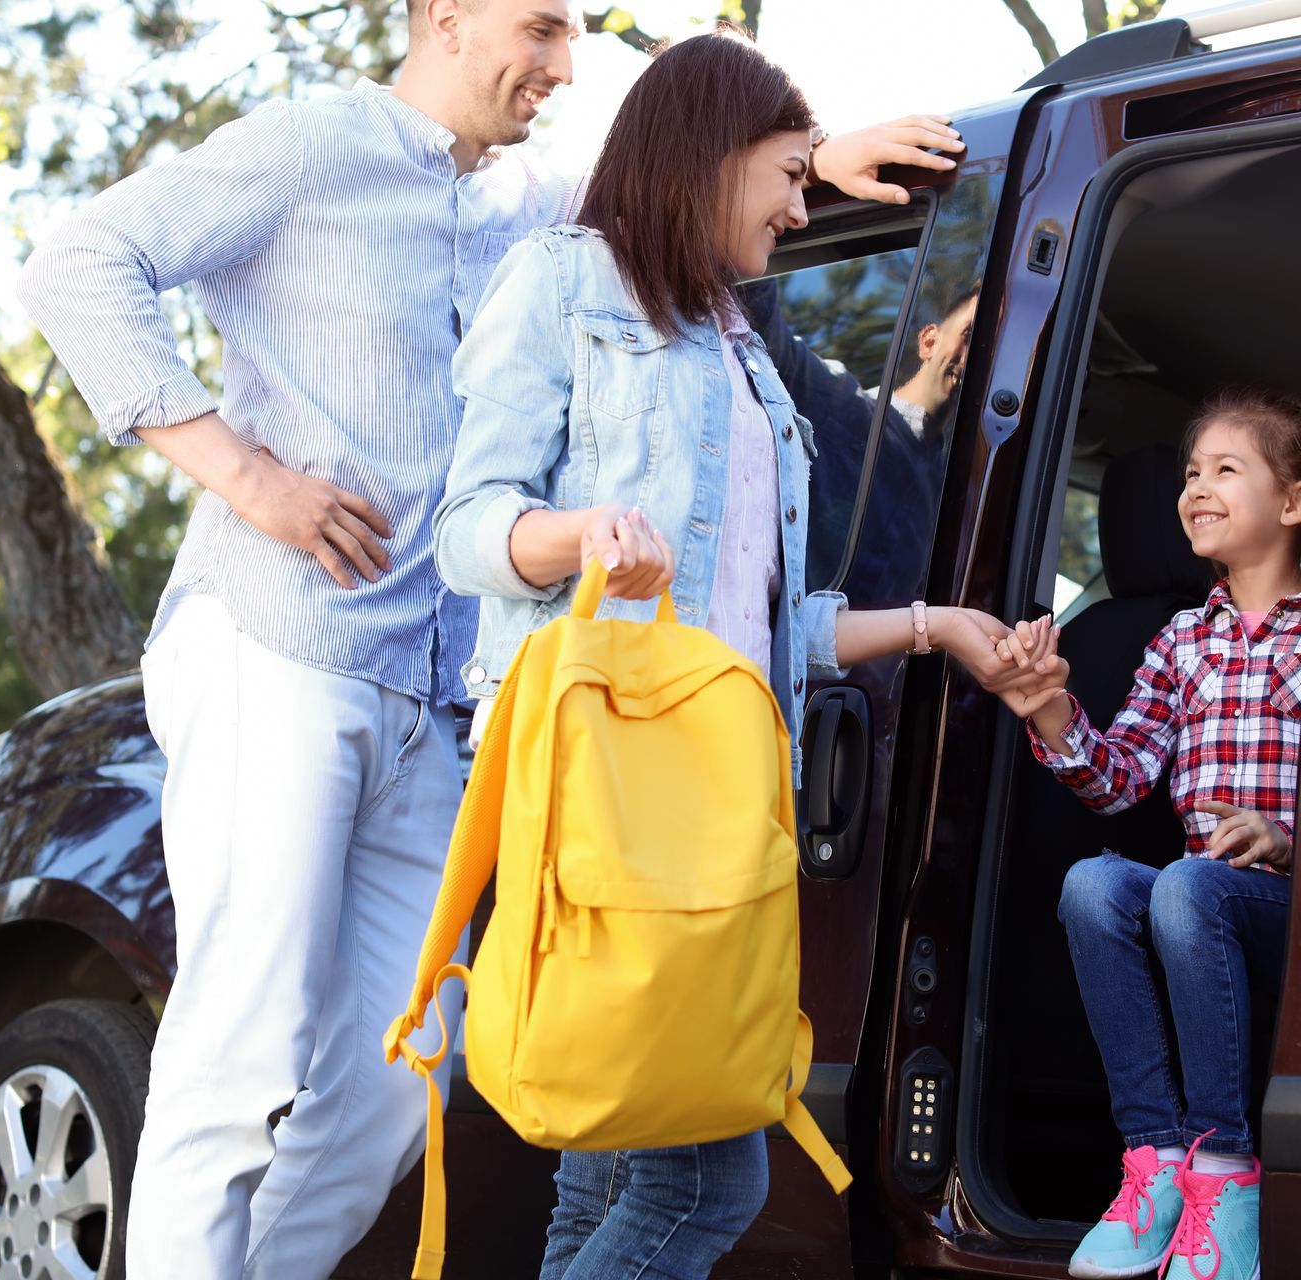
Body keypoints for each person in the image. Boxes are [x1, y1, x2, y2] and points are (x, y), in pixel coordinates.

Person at [15, 0, 965, 1273]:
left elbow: (679, 177)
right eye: (542, 28)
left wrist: (820, 155)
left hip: (444, 707)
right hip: (281, 643)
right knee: (244, 1053)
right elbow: (77, 264)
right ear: (444, 17)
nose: (564, 67)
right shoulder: (305, 148)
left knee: (393, 1084)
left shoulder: (536, 205)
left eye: (574, 38)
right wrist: (251, 479)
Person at [433, 31, 1046, 1279]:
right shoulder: (563, 282)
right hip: (604, 781)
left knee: (608, 1168)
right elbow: (468, 530)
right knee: (709, 1176)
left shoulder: (748, 354)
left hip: (718, 796)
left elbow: (766, 624)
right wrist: (583, 536)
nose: (797, 208)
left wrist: (933, 626)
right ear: (710, 159)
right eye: (786, 177)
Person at [989, 388, 1301, 1280]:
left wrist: (1288, 837)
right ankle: (1155, 1162)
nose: (1197, 489)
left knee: (1188, 885)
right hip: (1198, 901)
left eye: (1226, 470)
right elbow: (1117, 782)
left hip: (1294, 904)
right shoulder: (1180, 640)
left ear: (1296, 502)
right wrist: (1053, 708)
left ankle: (1225, 1170)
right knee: (1094, 883)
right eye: (1190, 474)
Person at [742, 276, 979, 586]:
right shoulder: (845, 407)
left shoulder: (956, 498)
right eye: (969, 334)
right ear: (929, 342)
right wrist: (753, 251)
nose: (974, 356)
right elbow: (765, 330)